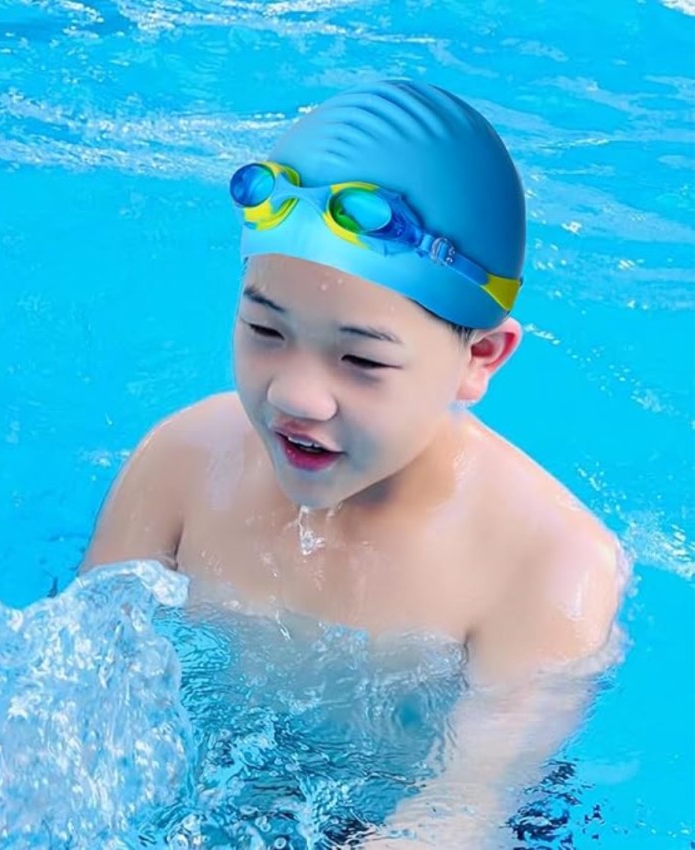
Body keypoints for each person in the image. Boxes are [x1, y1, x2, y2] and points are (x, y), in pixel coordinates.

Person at [82, 78, 627, 847]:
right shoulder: (181, 460)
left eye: (361, 360)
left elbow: (464, 808)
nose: (296, 396)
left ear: (482, 357)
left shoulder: (548, 566)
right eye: (265, 331)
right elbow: (72, 696)